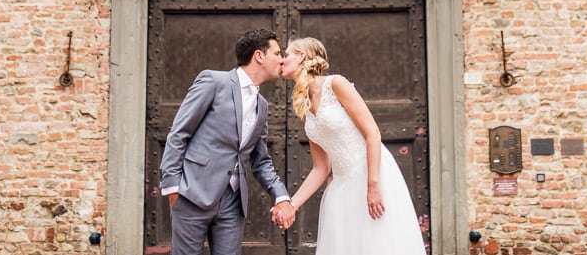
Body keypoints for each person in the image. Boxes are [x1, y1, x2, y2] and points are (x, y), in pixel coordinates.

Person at [272, 37, 425, 254]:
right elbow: (321, 168)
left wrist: (372, 185)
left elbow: (372, 132)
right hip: (342, 186)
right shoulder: (304, 106)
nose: (282, 61)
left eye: (286, 55)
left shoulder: (335, 84)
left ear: (302, 57)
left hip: (371, 174)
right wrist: (292, 204)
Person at [159, 28, 297, 255]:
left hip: (233, 202)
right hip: (193, 193)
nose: (282, 60)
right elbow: (179, 133)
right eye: (277, 53)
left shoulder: (262, 105)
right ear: (259, 56)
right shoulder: (213, 82)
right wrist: (173, 188)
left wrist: (281, 196)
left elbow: (260, 161)